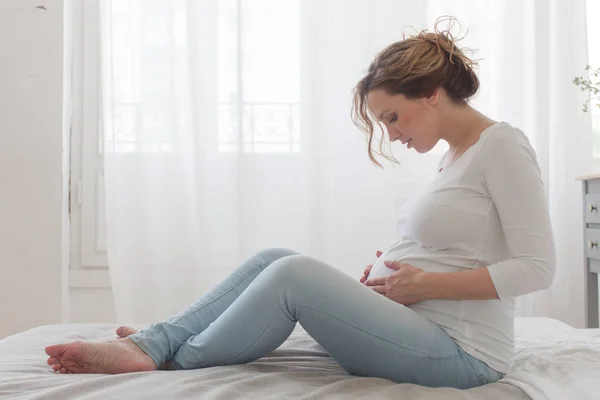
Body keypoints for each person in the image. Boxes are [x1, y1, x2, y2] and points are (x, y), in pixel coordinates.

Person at [45, 20, 555, 389]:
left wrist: (424, 283)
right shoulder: (454, 158)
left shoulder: (503, 145)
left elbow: (537, 268)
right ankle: (159, 340)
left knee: (294, 275)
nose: (392, 134)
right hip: (421, 326)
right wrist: (388, 272)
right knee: (275, 257)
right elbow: (459, 245)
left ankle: (169, 357)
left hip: (463, 353)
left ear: (429, 94)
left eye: (393, 117)